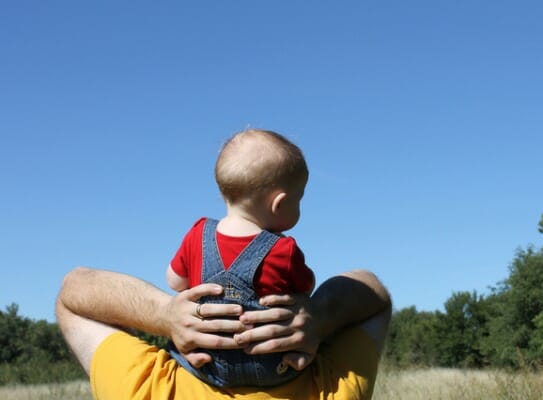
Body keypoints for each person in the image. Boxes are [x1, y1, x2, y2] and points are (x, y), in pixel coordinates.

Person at [56, 266, 391, 400]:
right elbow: (373, 293)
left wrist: (165, 314)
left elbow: (73, 293)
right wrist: (319, 316)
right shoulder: (326, 388)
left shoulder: (154, 389)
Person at [165, 129, 315, 387]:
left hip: (205, 366)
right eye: (298, 199)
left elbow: (174, 281)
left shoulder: (198, 234)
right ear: (279, 204)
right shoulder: (284, 249)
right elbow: (305, 289)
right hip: (270, 370)